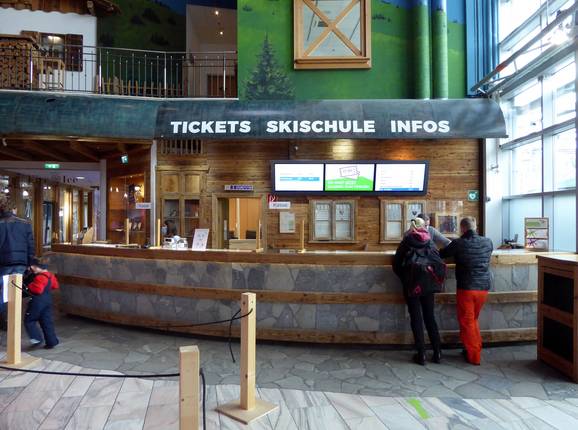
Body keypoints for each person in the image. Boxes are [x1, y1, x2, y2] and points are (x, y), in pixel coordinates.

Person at [440, 216, 493, 365]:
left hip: (467, 288)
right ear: (475, 227)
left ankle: (474, 356)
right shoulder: (488, 242)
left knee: (467, 321)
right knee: (473, 319)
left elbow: (441, 254)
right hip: (483, 288)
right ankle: (472, 348)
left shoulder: (458, 243)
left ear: (462, 228)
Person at [393, 218, 444, 365]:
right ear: (424, 227)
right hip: (428, 284)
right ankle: (437, 352)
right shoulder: (430, 241)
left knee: (416, 318)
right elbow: (437, 262)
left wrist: (406, 278)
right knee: (430, 317)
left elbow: (396, 265)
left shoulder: (406, 242)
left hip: (411, 285)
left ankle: (421, 355)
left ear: (412, 227)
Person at [0, 193, 35, 329]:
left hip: (3, 263)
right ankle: (12, 321)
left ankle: (4, 320)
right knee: (14, 292)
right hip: (20, 264)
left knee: (3, 292)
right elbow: (30, 246)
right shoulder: (25, 224)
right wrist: (30, 264)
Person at [23, 257, 59, 349]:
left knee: (29, 320)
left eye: (33, 267)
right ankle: (52, 341)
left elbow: (38, 290)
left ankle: (36, 339)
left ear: (37, 267)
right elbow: (55, 286)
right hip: (47, 301)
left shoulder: (39, 277)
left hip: (37, 302)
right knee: (47, 322)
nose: (32, 269)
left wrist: (30, 285)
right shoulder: (50, 275)